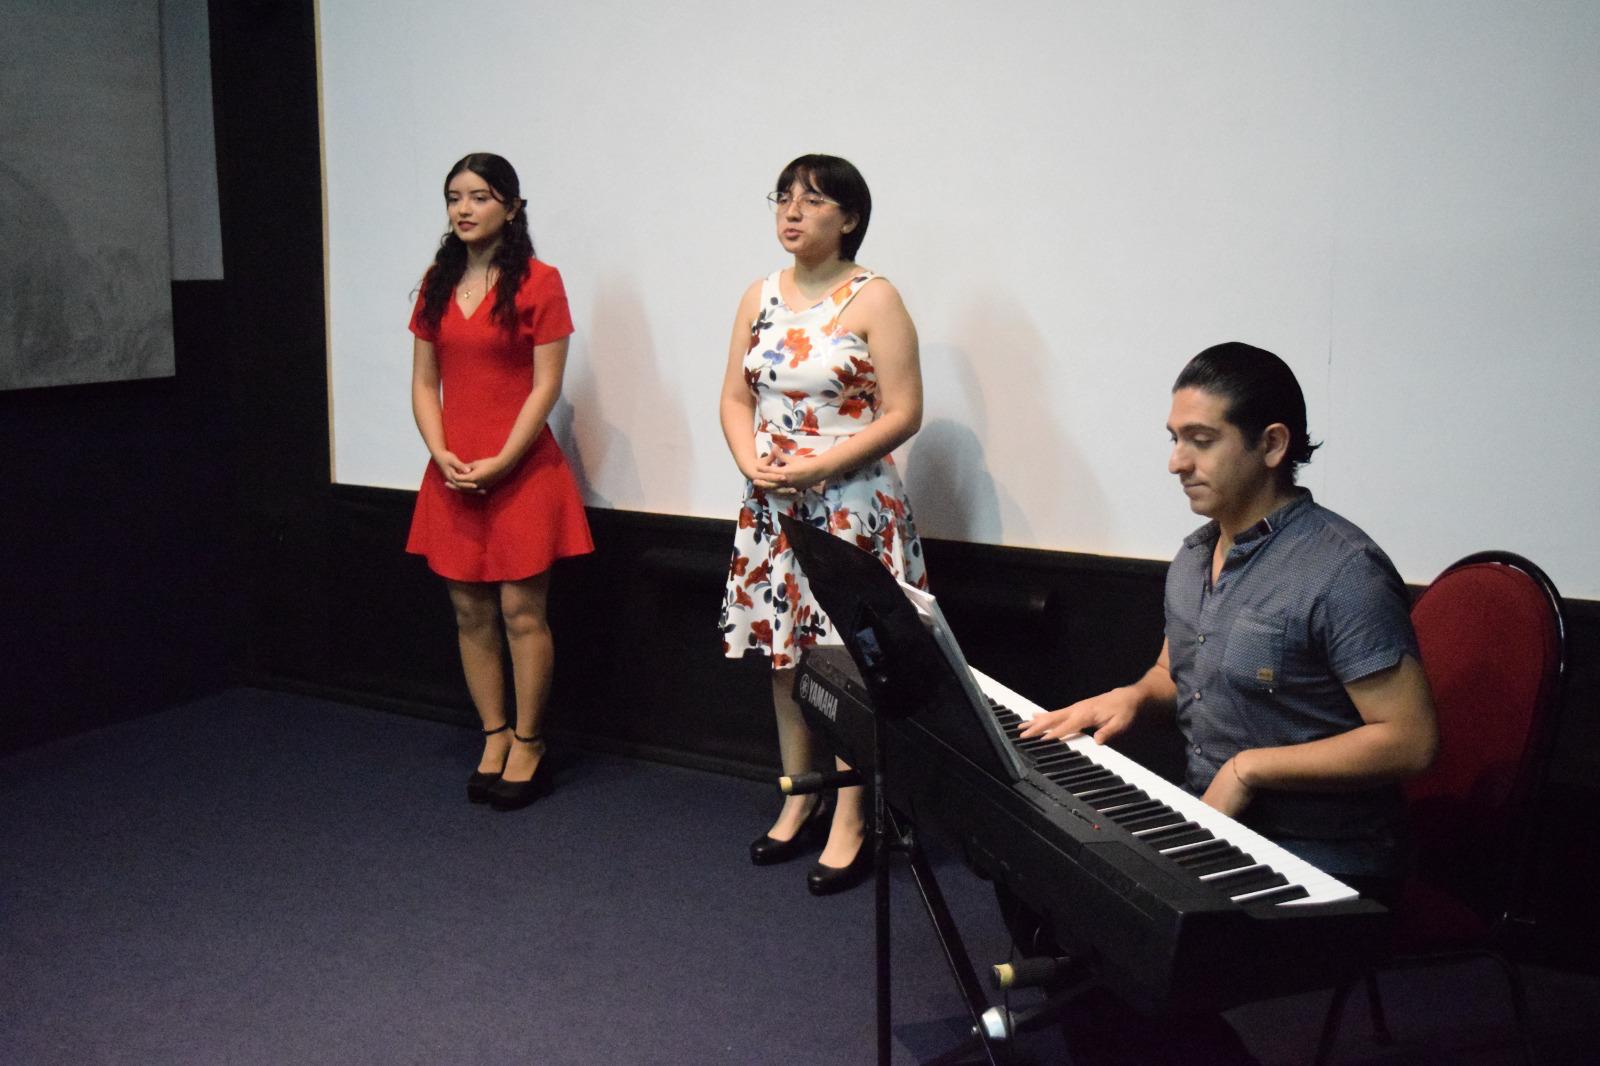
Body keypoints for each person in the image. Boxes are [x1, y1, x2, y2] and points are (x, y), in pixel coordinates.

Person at [1014, 341, 1439, 1064]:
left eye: (1200, 440)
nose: (1176, 462)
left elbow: (1410, 740)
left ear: (1271, 445)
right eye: (1174, 439)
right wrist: (1131, 695)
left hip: (1328, 860)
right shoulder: (1194, 556)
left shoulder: (1343, 571)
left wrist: (1250, 768)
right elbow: (1175, 669)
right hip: (1212, 824)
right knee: (1049, 881)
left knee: (1124, 963)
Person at [718, 154, 927, 895]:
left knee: (847, 661)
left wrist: (819, 466)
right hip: (773, 503)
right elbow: (735, 397)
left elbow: (905, 411)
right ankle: (798, 796)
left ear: (850, 218)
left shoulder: (875, 297)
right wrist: (751, 461)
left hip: (849, 504)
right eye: (784, 197)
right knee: (785, 656)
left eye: (812, 200)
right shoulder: (759, 295)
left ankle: (851, 814)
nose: (792, 211)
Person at [407, 152, 593, 811]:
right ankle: (494, 734)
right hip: (453, 471)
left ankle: (530, 742)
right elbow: (424, 383)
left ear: (511, 208)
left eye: (480, 197)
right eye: (454, 196)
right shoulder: (437, 281)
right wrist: (440, 452)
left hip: (521, 470)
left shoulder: (541, 281)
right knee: (468, 609)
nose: (464, 209)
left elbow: (547, 386)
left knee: (521, 610)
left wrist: (504, 459)